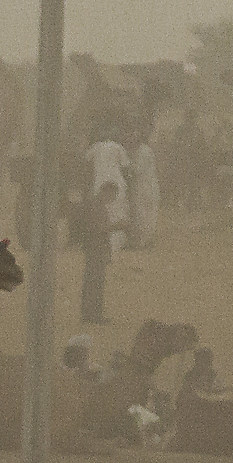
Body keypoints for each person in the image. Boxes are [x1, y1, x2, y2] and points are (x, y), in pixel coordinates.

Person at [81, 133, 130, 324]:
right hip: (96, 249)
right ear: (106, 192)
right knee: (95, 283)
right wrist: (118, 226)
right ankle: (93, 315)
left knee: (94, 282)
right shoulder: (97, 207)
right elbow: (99, 228)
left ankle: (91, 314)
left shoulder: (97, 204)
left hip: (96, 249)